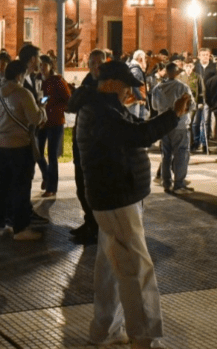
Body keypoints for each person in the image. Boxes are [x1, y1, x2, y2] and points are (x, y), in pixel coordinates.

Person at [76, 59, 190, 348]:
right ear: (113, 84)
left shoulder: (103, 108)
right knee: (136, 268)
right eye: (127, 85)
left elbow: (138, 128)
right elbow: (137, 135)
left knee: (110, 267)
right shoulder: (102, 112)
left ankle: (106, 330)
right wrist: (174, 115)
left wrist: (167, 116)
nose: (129, 91)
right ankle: (144, 336)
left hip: (112, 196)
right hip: (117, 196)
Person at [0, 59, 46, 240]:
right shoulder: (23, 93)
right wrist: (42, 109)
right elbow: (35, 119)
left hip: (0, 146)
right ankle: (20, 229)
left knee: (1, 186)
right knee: (21, 187)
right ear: (20, 75)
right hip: (19, 146)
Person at [66, 49, 106, 245]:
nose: (96, 67)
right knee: (81, 187)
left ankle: (96, 227)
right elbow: (72, 106)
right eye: (92, 63)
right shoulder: (87, 82)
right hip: (80, 139)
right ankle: (89, 221)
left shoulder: (108, 84)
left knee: (94, 188)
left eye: (100, 63)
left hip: (95, 144)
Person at [151, 62, 195, 195]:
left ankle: (166, 182)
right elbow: (191, 105)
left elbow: (154, 106)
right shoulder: (183, 87)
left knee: (166, 155)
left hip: (164, 125)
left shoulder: (157, 88)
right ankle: (179, 184)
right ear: (176, 73)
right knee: (181, 154)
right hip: (180, 125)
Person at [37, 55, 71, 197]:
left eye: (44, 65)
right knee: (37, 152)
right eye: (40, 65)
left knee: (52, 155)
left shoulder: (57, 80)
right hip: (41, 122)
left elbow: (68, 99)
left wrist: (53, 106)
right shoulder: (38, 80)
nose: (42, 68)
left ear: (50, 66)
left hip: (55, 121)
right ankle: (47, 176)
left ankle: (52, 188)